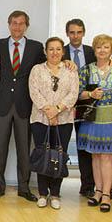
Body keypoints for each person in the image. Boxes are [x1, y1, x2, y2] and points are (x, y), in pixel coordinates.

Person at [0, 10, 45, 202]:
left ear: (26, 26)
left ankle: (24, 187)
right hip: (2, 104)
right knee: (0, 148)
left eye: (21, 24)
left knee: (24, 149)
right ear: (8, 24)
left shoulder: (36, 48)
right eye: (14, 23)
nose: (17, 27)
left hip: (25, 104)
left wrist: (68, 64)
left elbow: (45, 70)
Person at [77, 34, 112, 213]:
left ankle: (107, 193)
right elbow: (78, 93)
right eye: (99, 47)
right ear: (94, 49)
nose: (102, 50)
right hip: (93, 119)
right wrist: (90, 94)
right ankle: (98, 191)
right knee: (95, 155)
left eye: (106, 47)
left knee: (107, 156)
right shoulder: (86, 69)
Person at [29, 37, 79, 209]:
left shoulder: (71, 71)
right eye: (51, 49)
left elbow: (73, 94)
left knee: (59, 155)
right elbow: (34, 92)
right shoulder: (37, 70)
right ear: (45, 51)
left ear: (63, 52)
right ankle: (43, 193)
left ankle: (56, 193)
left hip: (63, 120)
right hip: (40, 119)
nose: (55, 52)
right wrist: (48, 111)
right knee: (43, 154)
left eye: (58, 49)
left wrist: (57, 109)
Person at [63, 18, 97, 198]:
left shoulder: (93, 52)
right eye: (72, 32)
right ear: (67, 33)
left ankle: (87, 186)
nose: (75, 36)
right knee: (61, 143)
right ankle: (55, 186)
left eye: (78, 32)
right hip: (66, 104)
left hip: (88, 103)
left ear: (83, 32)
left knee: (85, 146)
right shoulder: (61, 52)